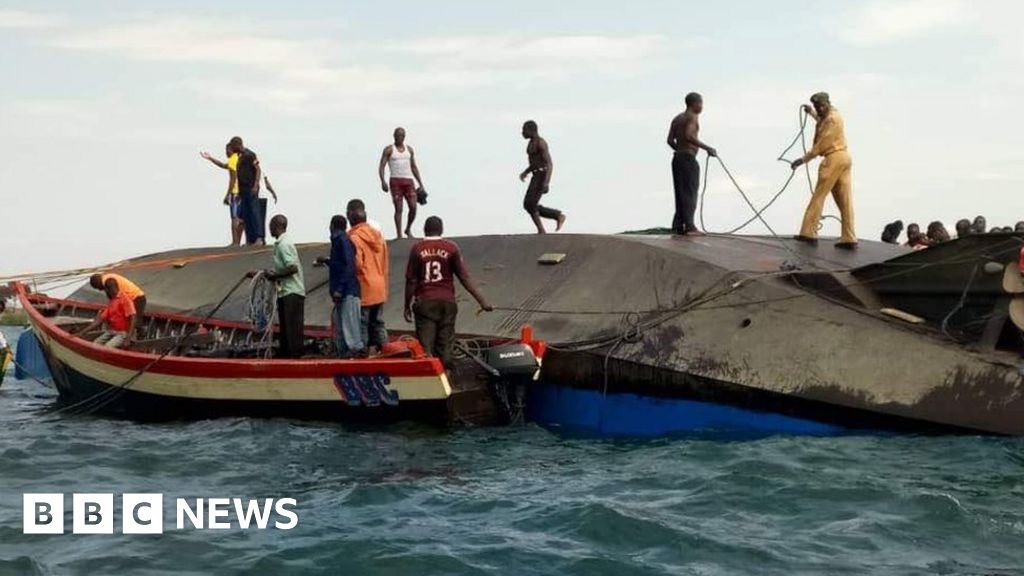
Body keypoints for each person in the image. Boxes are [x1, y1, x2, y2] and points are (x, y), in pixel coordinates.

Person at [404, 216, 493, 367]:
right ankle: (448, 372)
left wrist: (407, 305)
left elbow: (412, 280)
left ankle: (429, 376)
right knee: (446, 344)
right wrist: (482, 301)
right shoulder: (452, 248)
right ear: (442, 230)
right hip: (447, 303)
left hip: (425, 302)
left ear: (424, 229)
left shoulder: (417, 249)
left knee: (426, 347)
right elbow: (464, 277)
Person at [791, 92, 857, 249]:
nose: (819, 109)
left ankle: (808, 233)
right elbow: (823, 121)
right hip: (844, 157)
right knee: (845, 201)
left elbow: (822, 144)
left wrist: (803, 160)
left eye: (820, 106)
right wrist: (812, 114)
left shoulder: (832, 120)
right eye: (817, 107)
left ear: (827, 103)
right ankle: (849, 238)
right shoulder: (832, 115)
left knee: (819, 196)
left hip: (833, 157)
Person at [250, 215, 305, 358]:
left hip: (291, 292)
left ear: (276, 226)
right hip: (285, 292)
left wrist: (274, 275)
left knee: (292, 330)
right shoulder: (281, 244)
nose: (269, 230)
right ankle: (286, 356)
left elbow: (292, 268)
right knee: (286, 329)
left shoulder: (283, 244)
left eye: (270, 227)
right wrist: (262, 273)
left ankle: (294, 358)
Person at [666, 92, 717, 236]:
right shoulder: (692, 117)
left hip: (677, 159)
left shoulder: (677, 119)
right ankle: (689, 226)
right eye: (700, 103)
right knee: (690, 192)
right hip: (688, 159)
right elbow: (689, 135)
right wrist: (708, 148)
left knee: (680, 193)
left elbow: (670, 140)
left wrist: (680, 151)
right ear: (694, 103)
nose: (702, 106)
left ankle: (678, 226)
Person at [314, 215, 364, 358]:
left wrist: (339, 289)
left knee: (350, 327)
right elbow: (342, 264)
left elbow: (349, 266)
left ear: (332, 226)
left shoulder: (342, 241)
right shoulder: (341, 242)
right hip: (344, 292)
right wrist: (328, 261)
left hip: (347, 291)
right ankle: (344, 354)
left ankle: (354, 354)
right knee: (342, 326)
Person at [347, 199, 390, 354]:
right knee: (378, 323)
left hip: (364, 287)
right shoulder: (379, 237)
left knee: (362, 324)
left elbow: (357, 264)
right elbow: (385, 262)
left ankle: (362, 356)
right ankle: (388, 351)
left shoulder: (354, 238)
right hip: (380, 285)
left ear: (350, 216)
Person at [378, 127, 426, 240]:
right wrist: (382, 181)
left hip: (409, 181)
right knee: (398, 208)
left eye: (401, 135)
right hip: (396, 181)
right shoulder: (389, 150)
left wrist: (421, 183)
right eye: (397, 135)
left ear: (404, 137)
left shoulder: (409, 150)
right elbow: (382, 166)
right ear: (394, 136)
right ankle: (399, 234)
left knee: (413, 207)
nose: (399, 137)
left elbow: (414, 166)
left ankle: (408, 228)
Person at [519, 121, 566, 234]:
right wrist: (526, 172)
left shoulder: (541, 143)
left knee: (530, 203)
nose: (522, 133)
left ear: (531, 130)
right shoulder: (531, 143)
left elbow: (549, 163)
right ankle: (556, 215)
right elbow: (535, 163)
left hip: (542, 175)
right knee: (528, 204)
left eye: (524, 130)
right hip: (535, 175)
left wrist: (546, 182)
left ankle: (543, 228)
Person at [200, 143, 244, 246]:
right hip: (242, 191)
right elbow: (224, 165)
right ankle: (238, 241)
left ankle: (235, 242)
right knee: (241, 218)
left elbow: (233, 179)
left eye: (227, 150)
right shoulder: (238, 158)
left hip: (235, 191)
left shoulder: (233, 159)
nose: (226, 152)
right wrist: (210, 158)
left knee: (234, 217)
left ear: (232, 149)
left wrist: (227, 194)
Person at [76, 279, 138, 348]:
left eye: (106, 290)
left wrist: (128, 338)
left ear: (110, 289)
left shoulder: (125, 299)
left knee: (108, 347)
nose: (105, 293)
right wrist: (82, 332)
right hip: (112, 331)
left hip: (123, 333)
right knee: (95, 344)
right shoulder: (112, 301)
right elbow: (99, 321)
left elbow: (133, 317)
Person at [227, 136, 264, 246]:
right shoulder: (239, 157)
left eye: (233, 146)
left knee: (255, 212)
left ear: (237, 145)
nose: (232, 149)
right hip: (243, 190)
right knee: (246, 215)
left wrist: (256, 185)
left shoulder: (250, 154)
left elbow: (258, 169)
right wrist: (238, 193)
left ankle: (259, 238)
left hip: (251, 188)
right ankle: (250, 239)